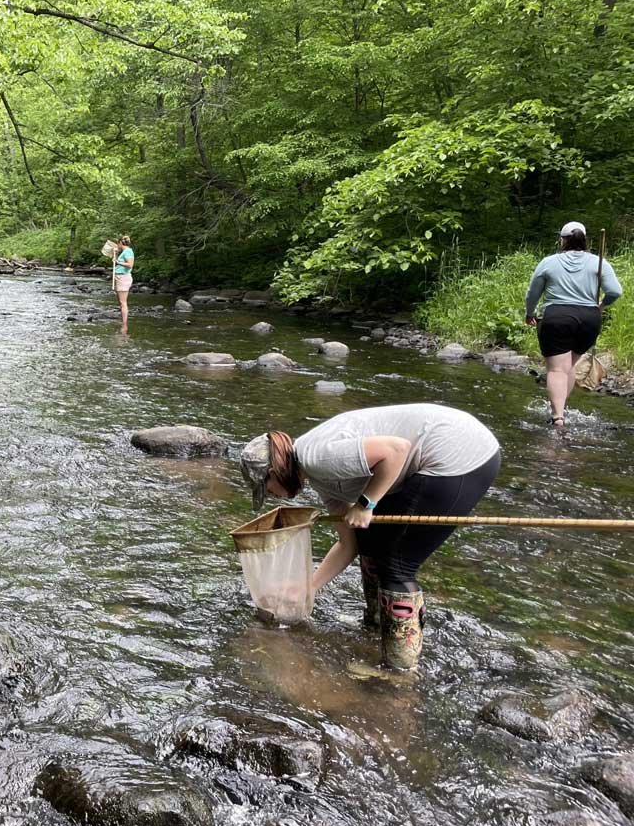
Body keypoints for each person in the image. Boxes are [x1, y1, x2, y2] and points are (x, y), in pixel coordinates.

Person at [239, 404, 501, 671]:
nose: (272, 495)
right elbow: (348, 544)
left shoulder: (316, 457)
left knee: (396, 564)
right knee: (371, 543)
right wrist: (307, 588)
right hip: (446, 452)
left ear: (274, 471)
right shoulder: (319, 476)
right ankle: (377, 627)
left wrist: (365, 504)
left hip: (459, 454)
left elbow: (396, 450)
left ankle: (400, 670)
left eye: (266, 489)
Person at [525, 220, 622, 427]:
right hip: (589, 319)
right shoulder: (599, 262)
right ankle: (561, 408)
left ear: (562, 240)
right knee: (568, 367)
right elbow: (615, 291)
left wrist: (530, 312)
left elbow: (533, 292)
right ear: (584, 240)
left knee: (557, 370)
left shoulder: (548, 262)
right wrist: (602, 305)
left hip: (557, 316)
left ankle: (557, 417)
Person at [111, 235, 134, 332]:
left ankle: (124, 325)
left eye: (118, 243)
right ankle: (123, 321)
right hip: (120, 277)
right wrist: (115, 255)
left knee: (123, 302)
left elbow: (130, 265)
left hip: (123, 278)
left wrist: (117, 262)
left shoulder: (128, 251)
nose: (117, 245)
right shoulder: (124, 252)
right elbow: (116, 261)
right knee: (121, 302)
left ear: (121, 242)